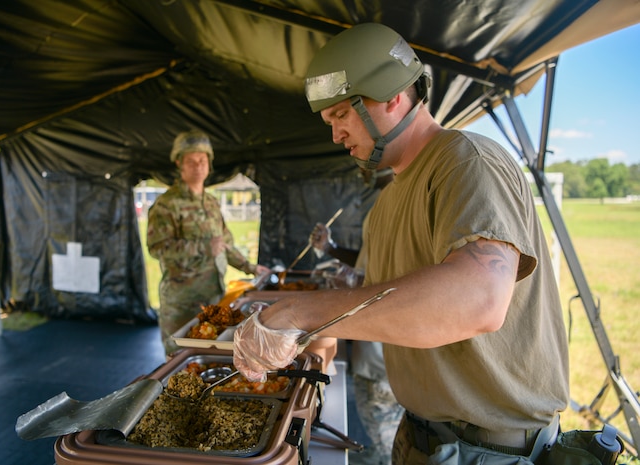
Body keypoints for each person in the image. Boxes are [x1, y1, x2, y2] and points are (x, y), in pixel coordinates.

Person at [233, 23, 569, 465]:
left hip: (492, 448)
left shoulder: (466, 161)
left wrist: (301, 313)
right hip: (424, 435)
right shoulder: (387, 202)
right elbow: (380, 300)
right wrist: (313, 340)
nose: (334, 135)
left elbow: (479, 300)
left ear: (391, 95)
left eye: (340, 116)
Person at [147, 130, 269, 356]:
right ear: (179, 163)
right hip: (181, 304)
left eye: (202, 160)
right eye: (191, 161)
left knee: (209, 358)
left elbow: (224, 244)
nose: (198, 166)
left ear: (209, 164)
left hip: (213, 298)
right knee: (177, 363)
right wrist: (203, 248)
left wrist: (250, 268)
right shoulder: (166, 204)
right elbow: (157, 248)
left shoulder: (212, 203)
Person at [312, 168, 404, 465]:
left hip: (386, 356)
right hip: (374, 348)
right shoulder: (386, 199)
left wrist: (356, 284)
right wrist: (332, 249)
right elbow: (369, 259)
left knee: (385, 445)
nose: (358, 162)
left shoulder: (403, 203)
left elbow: (401, 278)